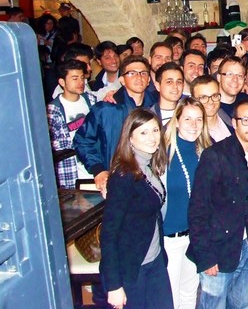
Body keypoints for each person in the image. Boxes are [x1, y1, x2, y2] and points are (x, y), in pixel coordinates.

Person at [187, 100, 248, 309]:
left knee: (242, 303)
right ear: (234, 123)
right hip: (218, 248)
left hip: (246, 245)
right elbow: (198, 209)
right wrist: (206, 256)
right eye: (246, 120)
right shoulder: (215, 155)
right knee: (214, 305)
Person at [100, 108, 172, 309]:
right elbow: (109, 232)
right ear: (130, 138)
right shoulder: (123, 176)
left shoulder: (147, 165)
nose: (152, 137)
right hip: (132, 267)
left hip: (154, 259)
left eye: (155, 130)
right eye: (144, 132)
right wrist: (114, 285)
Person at [75, 55, 156, 193]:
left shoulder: (156, 107)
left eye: (143, 73)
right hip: (117, 180)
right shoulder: (106, 109)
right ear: (122, 80)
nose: (139, 77)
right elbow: (82, 140)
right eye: (132, 73)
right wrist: (98, 169)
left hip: (149, 181)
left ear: (149, 79)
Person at [163, 97, 211, 309]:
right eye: (188, 119)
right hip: (170, 239)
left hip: (196, 236)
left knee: (190, 293)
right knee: (170, 297)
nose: (193, 125)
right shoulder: (162, 153)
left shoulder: (205, 151)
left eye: (199, 119)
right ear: (177, 120)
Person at [47, 59, 96, 188]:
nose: (80, 82)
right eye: (75, 78)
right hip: (72, 172)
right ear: (62, 82)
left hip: (95, 167)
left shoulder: (90, 100)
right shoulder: (54, 110)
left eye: (82, 78)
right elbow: (55, 147)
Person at [190, 75, 231, 142]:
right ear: (193, 100)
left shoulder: (231, 118)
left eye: (214, 96)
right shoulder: (191, 131)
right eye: (203, 97)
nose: (211, 102)